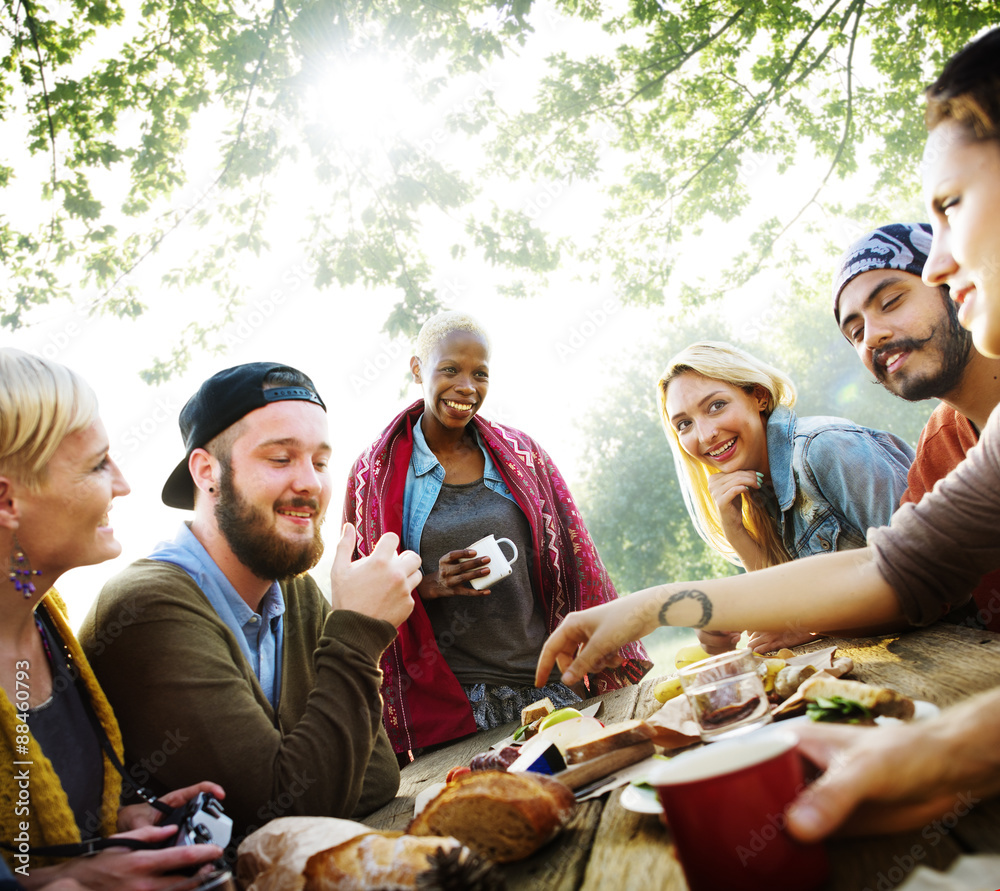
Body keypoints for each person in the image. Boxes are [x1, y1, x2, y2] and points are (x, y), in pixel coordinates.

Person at [537, 26, 1000, 840]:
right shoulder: (971, 446)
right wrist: (652, 606)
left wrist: (956, 744)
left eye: (951, 206)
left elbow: (920, 598)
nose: (936, 264)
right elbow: (900, 568)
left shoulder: (827, 448)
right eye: (853, 323)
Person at [80, 363, 422, 845]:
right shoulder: (149, 608)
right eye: (281, 459)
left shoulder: (294, 588)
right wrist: (359, 631)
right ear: (207, 471)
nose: (310, 484)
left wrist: (311, 776)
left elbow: (377, 775)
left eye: (320, 462)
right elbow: (286, 809)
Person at [344, 311, 650, 755]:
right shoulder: (373, 475)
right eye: (449, 369)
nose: (466, 386)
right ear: (417, 369)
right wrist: (428, 585)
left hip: (546, 682)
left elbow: (574, 558)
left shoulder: (524, 457)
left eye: (479, 374)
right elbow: (361, 599)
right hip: (453, 707)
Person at [0, 349, 224, 889]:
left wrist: (116, 829)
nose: (122, 485)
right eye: (98, 464)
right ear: (7, 500)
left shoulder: (48, 628)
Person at [659, 341, 913, 653]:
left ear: (759, 397)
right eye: (684, 424)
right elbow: (779, 607)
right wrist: (736, 530)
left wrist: (812, 624)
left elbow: (924, 583)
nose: (704, 434)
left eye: (716, 405)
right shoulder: (757, 487)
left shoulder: (825, 449)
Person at [834, 222, 1000, 631]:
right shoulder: (939, 444)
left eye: (891, 301)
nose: (872, 336)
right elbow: (896, 577)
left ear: (955, 287)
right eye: (855, 332)